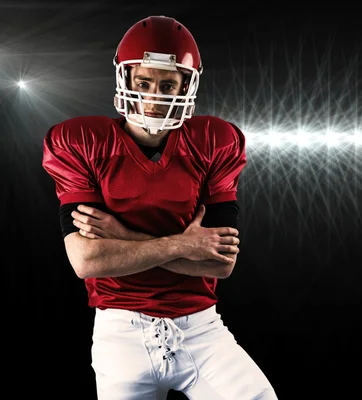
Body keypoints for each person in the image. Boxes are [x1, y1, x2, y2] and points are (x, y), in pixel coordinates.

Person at [41, 15, 278, 400]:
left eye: (168, 84)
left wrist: (122, 237)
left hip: (200, 329)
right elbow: (87, 262)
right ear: (127, 79)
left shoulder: (215, 140)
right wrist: (184, 245)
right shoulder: (79, 140)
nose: (154, 97)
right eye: (144, 83)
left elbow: (221, 264)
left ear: (187, 84)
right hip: (121, 332)